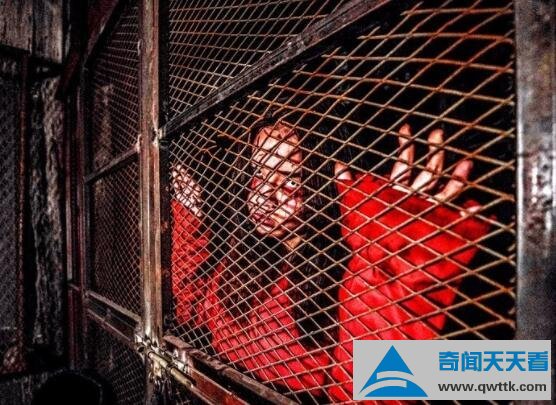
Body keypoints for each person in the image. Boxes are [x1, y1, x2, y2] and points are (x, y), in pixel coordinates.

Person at [171, 117, 489, 401]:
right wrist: (188, 215)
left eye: (290, 179)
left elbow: (391, 382)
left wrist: (398, 253)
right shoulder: (248, 263)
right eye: (258, 172)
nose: (264, 193)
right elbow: (195, 307)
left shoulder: (349, 274)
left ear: (322, 185)